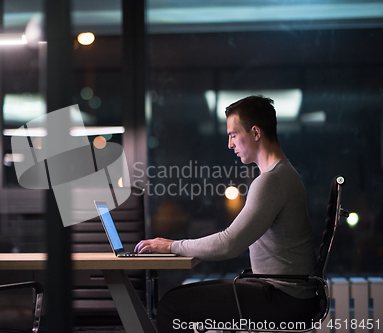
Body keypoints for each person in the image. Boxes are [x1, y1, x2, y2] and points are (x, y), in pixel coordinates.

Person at [134, 95, 319, 332]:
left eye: (233, 134)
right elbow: (235, 239)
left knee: (172, 306)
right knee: (181, 300)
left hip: (283, 299)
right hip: (287, 294)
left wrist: (171, 246)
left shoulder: (272, 181)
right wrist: (199, 248)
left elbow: (229, 244)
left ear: (255, 132)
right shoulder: (282, 175)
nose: (229, 144)